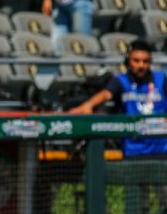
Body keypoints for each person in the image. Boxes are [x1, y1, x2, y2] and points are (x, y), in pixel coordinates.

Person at [69, 40, 167, 210]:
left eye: (145, 61)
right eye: (136, 61)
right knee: (138, 205)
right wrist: (88, 105)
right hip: (134, 153)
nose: (141, 65)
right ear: (129, 61)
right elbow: (106, 94)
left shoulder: (161, 79)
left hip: (161, 152)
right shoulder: (121, 81)